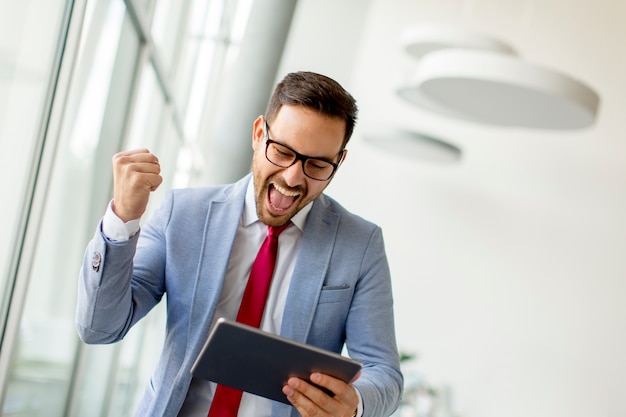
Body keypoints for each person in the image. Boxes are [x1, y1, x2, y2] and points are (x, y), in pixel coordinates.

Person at [76, 71, 403, 417]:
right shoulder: (184, 214)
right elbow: (100, 327)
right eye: (282, 152)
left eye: (317, 164)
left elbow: (384, 372)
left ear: (338, 163)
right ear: (259, 134)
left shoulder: (360, 245)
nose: (293, 177)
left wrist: (356, 404)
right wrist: (122, 219)